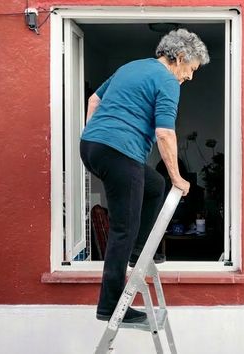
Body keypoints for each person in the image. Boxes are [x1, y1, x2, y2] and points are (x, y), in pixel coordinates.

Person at [80, 29, 210, 323]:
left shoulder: (130, 67)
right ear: (178, 58)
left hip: (91, 147)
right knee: (123, 229)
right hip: (120, 153)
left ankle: (138, 252)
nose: (189, 77)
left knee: (154, 185)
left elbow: (93, 101)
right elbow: (164, 132)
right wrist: (179, 177)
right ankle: (111, 307)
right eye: (190, 70)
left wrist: (95, 135)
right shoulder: (167, 80)